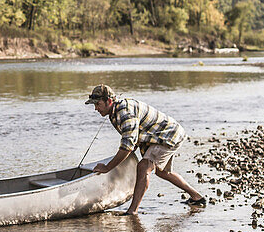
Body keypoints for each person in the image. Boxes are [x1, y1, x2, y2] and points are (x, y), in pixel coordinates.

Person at [85, 84, 205, 215]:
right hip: (166, 135)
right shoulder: (114, 114)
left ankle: (132, 211)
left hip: (167, 136)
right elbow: (132, 139)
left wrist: (108, 167)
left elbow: (127, 146)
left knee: (143, 167)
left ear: (109, 101)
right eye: (94, 105)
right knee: (163, 172)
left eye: (97, 104)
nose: (96, 108)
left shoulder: (124, 112)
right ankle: (197, 198)